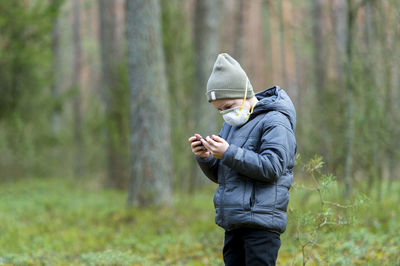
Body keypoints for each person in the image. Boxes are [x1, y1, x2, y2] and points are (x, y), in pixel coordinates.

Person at [188, 53, 297, 266]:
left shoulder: (275, 121)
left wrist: (228, 153)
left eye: (228, 106)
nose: (226, 114)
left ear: (245, 92)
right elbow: (225, 175)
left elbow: (272, 167)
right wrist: (207, 157)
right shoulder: (231, 124)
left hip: (262, 224)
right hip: (234, 222)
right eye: (220, 110)